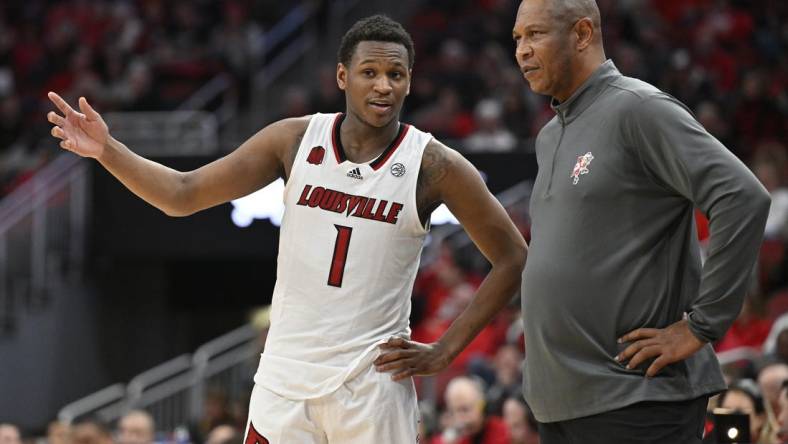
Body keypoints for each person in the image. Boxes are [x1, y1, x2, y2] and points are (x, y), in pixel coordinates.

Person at [47, 15, 527, 444]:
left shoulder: (434, 163)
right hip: (285, 379)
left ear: (408, 82)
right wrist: (109, 151)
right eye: (370, 72)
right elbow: (182, 193)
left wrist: (445, 350)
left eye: (395, 74)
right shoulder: (295, 140)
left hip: (371, 384)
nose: (383, 86)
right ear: (342, 76)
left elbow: (513, 257)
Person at [511, 0, 771, 443]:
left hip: (637, 397)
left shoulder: (639, 109)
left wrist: (700, 326)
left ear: (582, 34)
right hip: (562, 403)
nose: (521, 51)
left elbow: (742, 196)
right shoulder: (550, 134)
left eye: (535, 35)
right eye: (517, 39)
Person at [432, 376, 511, 444]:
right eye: (453, 412)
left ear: (482, 405)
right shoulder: (452, 439)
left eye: (465, 410)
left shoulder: (503, 432)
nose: (459, 417)